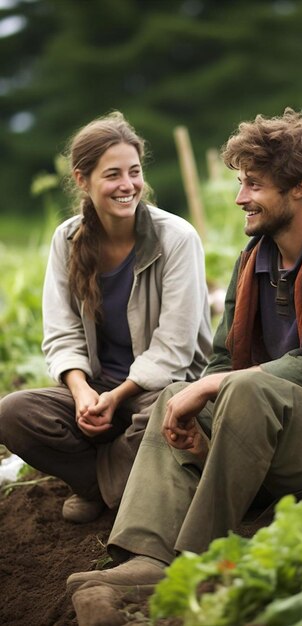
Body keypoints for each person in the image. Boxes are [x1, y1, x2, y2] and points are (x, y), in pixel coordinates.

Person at [67, 107, 302, 597]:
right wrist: (206, 419)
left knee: (243, 389)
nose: (240, 198)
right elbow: (224, 361)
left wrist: (217, 386)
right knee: (176, 396)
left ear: (298, 187)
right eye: (241, 183)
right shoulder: (256, 256)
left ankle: (193, 566)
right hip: (281, 427)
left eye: (254, 184)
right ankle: (145, 557)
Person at [0, 111, 212, 523]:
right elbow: (61, 335)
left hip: (162, 388)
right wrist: (82, 394)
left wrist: (117, 398)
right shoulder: (67, 239)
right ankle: (111, 485)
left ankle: (102, 489)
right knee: (13, 413)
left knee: (168, 415)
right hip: (98, 388)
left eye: (134, 172)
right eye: (113, 174)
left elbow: (175, 348)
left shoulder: (177, 239)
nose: (128, 185)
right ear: (82, 179)